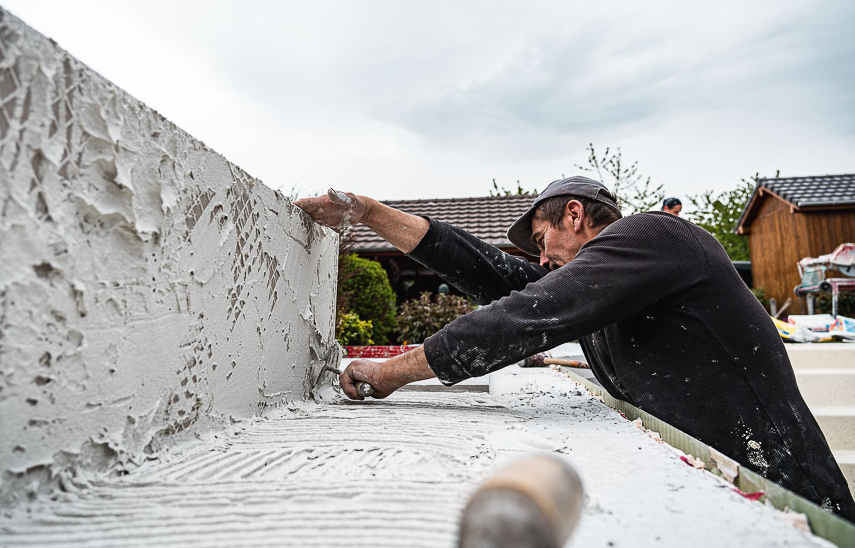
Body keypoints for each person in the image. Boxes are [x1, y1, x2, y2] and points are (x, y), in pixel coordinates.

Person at [295, 176, 855, 521]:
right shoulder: (609, 292)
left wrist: (393, 371)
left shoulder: (655, 235)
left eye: (541, 242)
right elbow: (488, 271)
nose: (540, 261)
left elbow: (521, 316)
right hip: (726, 482)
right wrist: (371, 214)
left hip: (788, 494)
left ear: (574, 214)